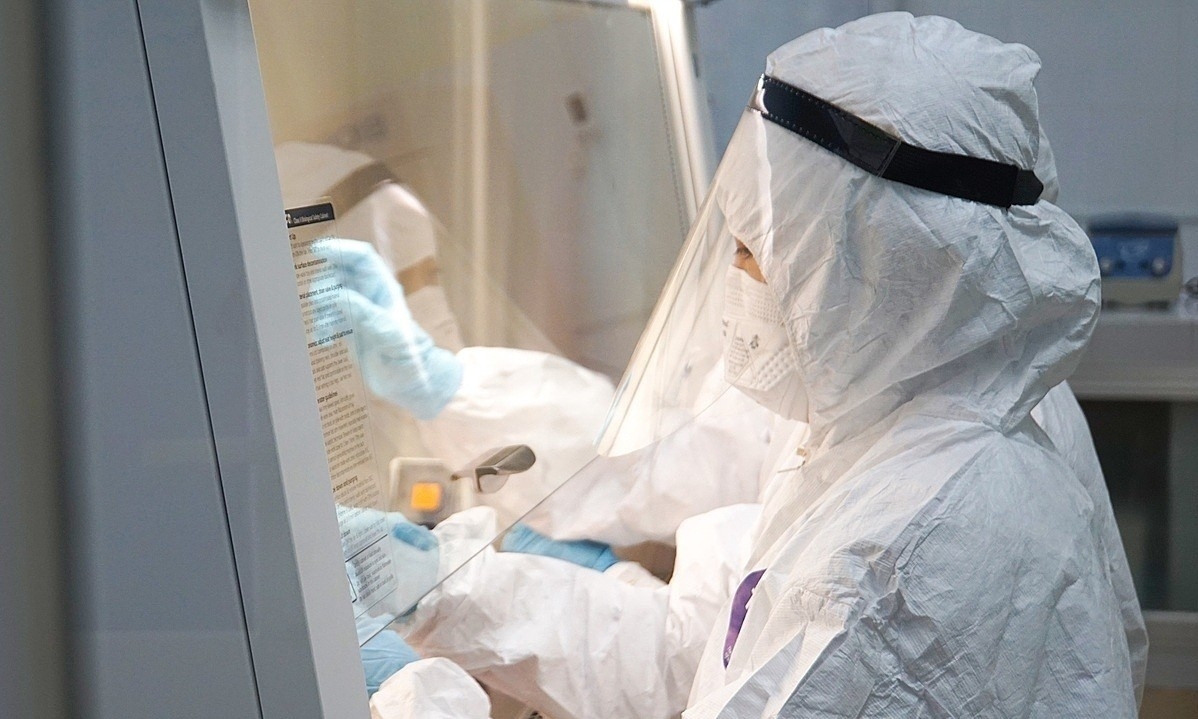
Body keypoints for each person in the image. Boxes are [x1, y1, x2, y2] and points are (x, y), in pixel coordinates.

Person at [369, 12, 1144, 719]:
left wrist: (426, 704)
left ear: (868, 267)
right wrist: (447, 591)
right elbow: (709, 656)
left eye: (753, 252)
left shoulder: (897, 559)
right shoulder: (886, 426)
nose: (732, 285)